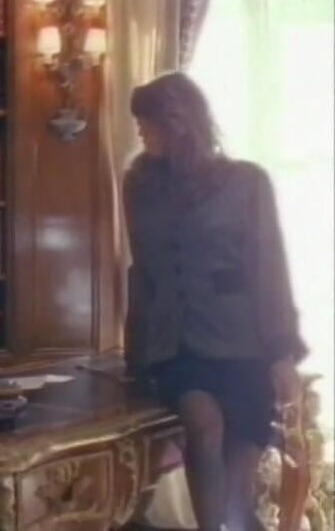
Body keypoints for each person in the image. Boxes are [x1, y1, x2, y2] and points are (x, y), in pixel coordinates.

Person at [122, 72, 305, 531]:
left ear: (178, 121)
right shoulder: (139, 185)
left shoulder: (247, 182)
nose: (140, 132)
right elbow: (141, 272)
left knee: (238, 498)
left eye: (147, 122)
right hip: (177, 346)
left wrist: (282, 354)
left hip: (244, 344)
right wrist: (135, 356)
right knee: (203, 423)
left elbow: (269, 268)